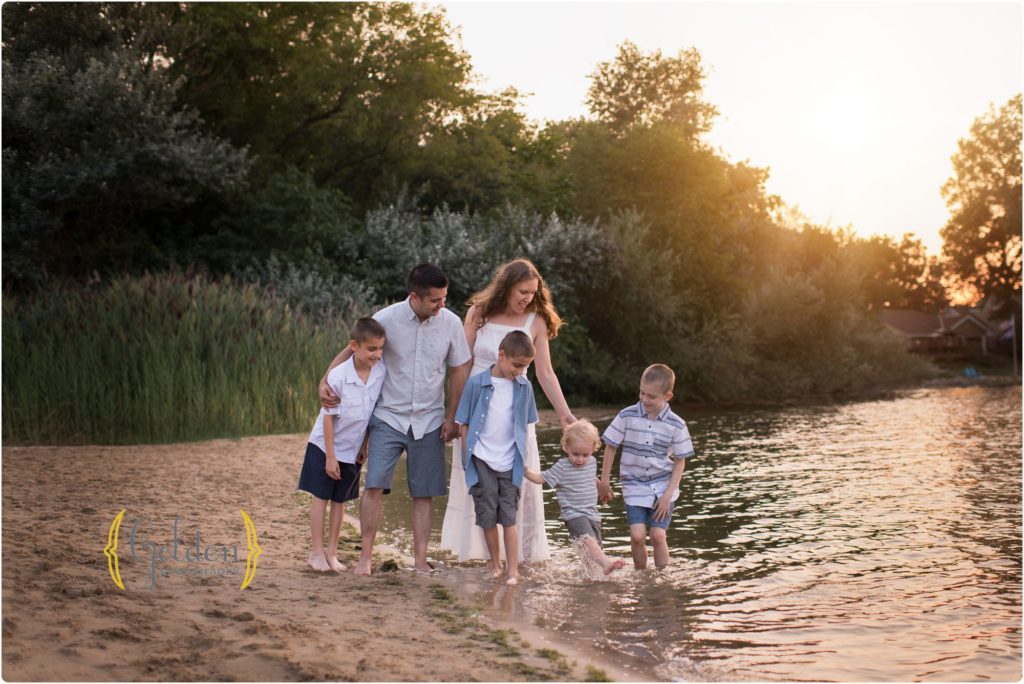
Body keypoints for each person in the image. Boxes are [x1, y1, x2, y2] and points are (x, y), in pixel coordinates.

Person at [319, 264, 471, 575]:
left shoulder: (452, 323)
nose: (442, 305)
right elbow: (352, 351)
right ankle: (365, 558)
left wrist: (453, 416)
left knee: (423, 493)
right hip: (387, 416)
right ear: (414, 297)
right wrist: (325, 380)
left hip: (429, 420)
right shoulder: (386, 319)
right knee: (373, 486)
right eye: (435, 301)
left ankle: (419, 560)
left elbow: (460, 369)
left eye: (444, 298)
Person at [440, 258, 577, 563]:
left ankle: (518, 557)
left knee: (517, 480)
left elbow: (545, 373)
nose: (527, 298)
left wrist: (567, 415)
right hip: (476, 408)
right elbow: (461, 364)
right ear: (507, 286)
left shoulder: (536, 322)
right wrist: (453, 417)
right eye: (523, 291)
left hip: (513, 412)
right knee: (477, 480)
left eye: (532, 292)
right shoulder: (479, 313)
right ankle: (480, 553)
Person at [298, 317, 386, 572]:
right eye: (371, 349)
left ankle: (332, 553)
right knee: (321, 497)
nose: (377, 354)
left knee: (340, 501)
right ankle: (316, 552)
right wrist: (330, 456)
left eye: (380, 349)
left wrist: (365, 445)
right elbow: (329, 418)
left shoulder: (380, 373)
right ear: (354, 346)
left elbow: (371, 413)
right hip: (325, 447)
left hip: (353, 449)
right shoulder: (339, 375)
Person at [455, 330, 539, 585]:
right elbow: (464, 423)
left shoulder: (525, 388)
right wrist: (467, 457)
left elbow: (525, 426)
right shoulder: (476, 384)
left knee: (509, 517)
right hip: (482, 460)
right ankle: (495, 563)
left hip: (510, 462)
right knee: (487, 516)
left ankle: (513, 569)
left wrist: (523, 461)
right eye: (517, 365)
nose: (520, 372)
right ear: (501, 355)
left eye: (525, 367)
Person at [598, 364, 695, 569]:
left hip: (663, 488)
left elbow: (680, 461)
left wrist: (668, 495)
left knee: (658, 536)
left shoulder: (677, 425)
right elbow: (611, 446)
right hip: (634, 486)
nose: (644, 399)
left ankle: (661, 581)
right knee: (637, 536)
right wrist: (605, 482)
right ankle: (641, 577)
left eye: (651, 396)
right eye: (642, 393)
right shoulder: (627, 415)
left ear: (667, 396)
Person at [523, 419, 626, 576]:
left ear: (594, 449)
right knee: (587, 540)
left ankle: (591, 579)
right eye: (575, 454)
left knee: (592, 552)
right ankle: (606, 563)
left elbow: (591, 478)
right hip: (573, 514)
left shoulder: (591, 462)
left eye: (585, 454)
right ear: (566, 447)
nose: (580, 459)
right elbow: (541, 479)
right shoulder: (562, 467)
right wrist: (526, 471)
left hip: (592, 513)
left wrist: (601, 489)